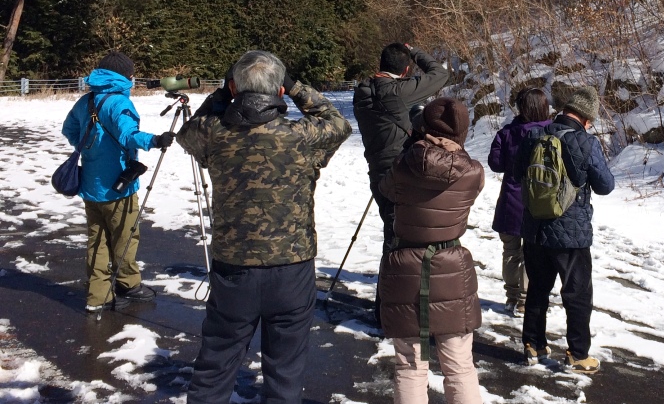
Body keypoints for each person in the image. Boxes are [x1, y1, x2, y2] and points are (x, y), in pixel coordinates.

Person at [176, 50, 351, 404]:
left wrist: (223, 94)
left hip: (234, 269)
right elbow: (336, 120)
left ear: (235, 87)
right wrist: (298, 88)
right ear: (280, 93)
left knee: (216, 365)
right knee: (285, 372)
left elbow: (188, 131)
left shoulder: (214, 133)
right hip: (292, 268)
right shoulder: (300, 136)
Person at [378, 97, 484, 404]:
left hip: (405, 267)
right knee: (460, 367)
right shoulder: (473, 172)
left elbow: (384, 189)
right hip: (452, 266)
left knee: (410, 367)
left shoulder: (402, 166)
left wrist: (411, 148)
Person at [61, 51, 174, 313]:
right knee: (126, 235)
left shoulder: (86, 100)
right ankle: (127, 283)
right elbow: (128, 135)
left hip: (90, 186)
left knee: (97, 240)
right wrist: (155, 140)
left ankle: (98, 295)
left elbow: (69, 129)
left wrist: (88, 148)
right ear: (126, 76)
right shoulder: (119, 104)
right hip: (118, 187)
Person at [514, 86, 615, 373]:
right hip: (571, 235)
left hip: (534, 228)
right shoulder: (586, 142)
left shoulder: (533, 135)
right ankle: (578, 355)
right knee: (577, 294)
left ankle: (533, 345)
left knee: (537, 288)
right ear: (586, 118)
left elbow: (515, 172)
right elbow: (606, 186)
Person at [352, 42, 448, 323]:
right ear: (406, 70)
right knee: (398, 244)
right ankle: (390, 314)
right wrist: (416, 50)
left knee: (393, 238)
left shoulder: (362, 92)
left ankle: (390, 309)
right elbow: (440, 74)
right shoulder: (399, 91)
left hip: (377, 171)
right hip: (401, 174)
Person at [488, 87, 551, 317]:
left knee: (511, 251)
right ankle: (525, 299)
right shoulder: (551, 132)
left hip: (511, 201)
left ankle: (511, 296)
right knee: (532, 253)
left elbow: (495, 163)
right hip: (540, 201)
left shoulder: (507, 132)